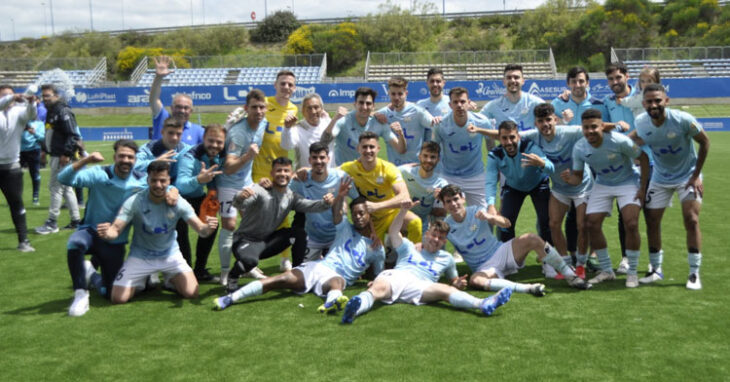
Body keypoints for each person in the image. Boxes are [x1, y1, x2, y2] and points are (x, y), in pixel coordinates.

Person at [213, 179, 385, 312]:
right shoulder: (345, 228)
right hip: (317, 267)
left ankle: (331, 302)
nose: (358, 217)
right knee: (279, 279)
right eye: (355, 214)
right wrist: (340, 196)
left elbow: (376, 276)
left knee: (336, 282)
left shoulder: (377, 249)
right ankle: (230, 298)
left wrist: (371, 281)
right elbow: (338, 213)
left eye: (362, 213)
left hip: (335, 277)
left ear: (370, 215)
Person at [340, 199, 512, 324]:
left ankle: (482, 304)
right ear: (427, 234)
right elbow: (393, 233)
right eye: (434, 235)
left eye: (441, 238)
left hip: (421, 286)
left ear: (445, 242)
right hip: (398, 275)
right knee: (379, 289)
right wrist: (402, 211)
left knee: (443, 289)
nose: (436, 240)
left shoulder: (447, 259)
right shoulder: (409, 247)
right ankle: (355, 309)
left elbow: (453, 281)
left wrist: (457, 282)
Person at [98, 161, 217, 304]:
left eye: (162, 180)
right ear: (147, 180)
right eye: (154, 180)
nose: (158, 185)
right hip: (140, 256)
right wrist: (107, 233)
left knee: (192, 292)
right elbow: (116, 229)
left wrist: (208, 228)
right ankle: (142, 282)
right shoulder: (135, 201)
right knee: (118, 298)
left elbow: (201, 230)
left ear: (169, 181)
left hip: (170, 255)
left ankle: (169, 280)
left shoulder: (179, 202)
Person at [440, 184, 590, 295]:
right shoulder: (446, 226)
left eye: (456, 199)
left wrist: (491, 217)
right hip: (484, 268)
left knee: (531, 238)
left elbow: (507, 224)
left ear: (463, 199)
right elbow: (437, 248)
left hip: (501, 252)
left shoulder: (476, 211)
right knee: (475, 281)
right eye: (448, 201)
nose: (453, 204)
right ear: (444, 205)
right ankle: (528, 288)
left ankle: (571, 276)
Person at [631, 84, 710, 289]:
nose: (654, 104)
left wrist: (696, 176)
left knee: (691, 219)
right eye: (649, 101)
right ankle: (656, 269)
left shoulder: (683, 120)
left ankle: (694, 273)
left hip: (688, 176)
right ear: (643, 104)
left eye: (658, 100)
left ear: (666, 100)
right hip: (660, 177)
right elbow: (631, 139)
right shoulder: (641, 122)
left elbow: (705, 142)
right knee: (651, 220)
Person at [59, 140, 149, 316]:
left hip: (116, 241)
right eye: (121, 156)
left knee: (110, 294)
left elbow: (161, 188)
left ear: (135, 160)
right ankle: (80, 294)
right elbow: (63, 178)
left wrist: (172, 191)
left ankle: (91, 274)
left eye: (130, 157)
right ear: (114, 157)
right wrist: (87, 160)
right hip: (91, 233)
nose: (125, 160)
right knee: (75, 243)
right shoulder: (100, 174)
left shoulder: (141, 181)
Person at [565, 109, 650, 288]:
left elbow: (643, 158)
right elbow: (578, 177)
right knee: (591, 224)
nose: (590, 131)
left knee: (631, 223)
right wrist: (569, 179)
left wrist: (642, 189)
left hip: (628, 181)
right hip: (603, 184)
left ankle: (632, 272)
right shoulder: (580, 147)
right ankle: (606, 270)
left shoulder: (619, 140)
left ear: (602, 126)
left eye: (594, 127)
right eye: (586, 128)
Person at [225, 157, 335, 293]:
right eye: (279, 171)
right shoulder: (260, 189)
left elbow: (309, 205)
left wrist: (325, 203)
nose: (282, 174)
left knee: (298, 233)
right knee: (250, 261)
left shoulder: (291, 196)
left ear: (291, 174)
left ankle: (297, 274)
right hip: (244, 241)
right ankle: (233, 277)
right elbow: (239, 203)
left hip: (265, 242)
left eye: (286, 171)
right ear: (272, 173)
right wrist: (240, 196)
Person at [523, 103, 594, 279]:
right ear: (536, 123)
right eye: (541, 121)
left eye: (548, 120)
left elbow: (593, 128)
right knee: (553, 224)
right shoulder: (534, 136)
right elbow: (510, 135)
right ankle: (565, 264)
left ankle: (581, 265)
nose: (545, 124)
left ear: (555, 119)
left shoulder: (569, 132)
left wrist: (616, 126)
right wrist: (478, 129)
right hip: (560, 188)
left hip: (582, 186)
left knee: (582, 226)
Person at [216, 89, 268, 283]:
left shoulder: (263, 123)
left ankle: (248, 266)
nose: (258, 111)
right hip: (228, 183)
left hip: (246, 182)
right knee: (229, 225)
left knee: (252, 226)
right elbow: (228, 168)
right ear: (247, 109)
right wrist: (248, 156)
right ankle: (224, 272)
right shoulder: (238, 133)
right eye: (254, 107)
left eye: (262, 107)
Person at [254, 70, 299, 272]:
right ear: (275, 85)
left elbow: (291, 140)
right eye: (283, 84)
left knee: (282, 215)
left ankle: (285, 258)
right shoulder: (264, 103)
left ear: (294, 88)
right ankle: (250, 258)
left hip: (281, 170)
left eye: (290, 84)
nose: (286, 87)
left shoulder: (294, 109)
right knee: (256, 215)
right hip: (259, 168)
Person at [340, 131, 421, 244]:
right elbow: (328, 173)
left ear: (378, 148)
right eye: (364, 147)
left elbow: (404, 196)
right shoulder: (349, 168)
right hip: (371, 220)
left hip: (392, 214)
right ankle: (389, 251)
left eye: (371, 147)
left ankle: (412, 259)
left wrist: (378, 206)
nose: (368, 151)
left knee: (415, 223)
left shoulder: (388, 168)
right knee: (376, 253)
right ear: (358, 148)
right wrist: (306, 170)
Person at [483, 121, 553, 245]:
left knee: (546, 222)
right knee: (504, 224)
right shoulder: (495, 155)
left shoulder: (530, 147)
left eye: (512, 137)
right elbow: (490, 182)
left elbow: (551, 168)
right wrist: (490, 205)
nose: (509, 142)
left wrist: (542, 164)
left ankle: (548, 257)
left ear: (518, 137)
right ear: (499, 138)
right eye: (504, 138)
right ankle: (509, 257)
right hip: (514, 187)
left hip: (538, 185)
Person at [289, 142, 359, 262]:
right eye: (315, 158)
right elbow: (283, 193)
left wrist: (358, 232)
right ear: (309, 160)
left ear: (328, 159)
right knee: (302, 277)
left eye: (322, 157)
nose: (319, 161)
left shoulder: (341, 177)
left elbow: (358, 201)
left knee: (340, 277)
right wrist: (293, 175)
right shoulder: (301, 179)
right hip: (312, 237)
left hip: (337, 236)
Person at [174, 123, 226, 282]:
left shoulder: (223, 153)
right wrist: (199, 179)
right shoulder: (190, 155)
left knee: (211, 225)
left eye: (219, 142)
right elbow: (180, 184)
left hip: (198, 195)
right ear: (203, 139)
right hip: (179, 197)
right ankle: (186, 270)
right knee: (180, 230)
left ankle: (200, 270)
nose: (215, 145)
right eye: (211, 141)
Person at [432, 87, 493, 209]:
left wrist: (493, 172)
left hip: (475, 175)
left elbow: (491, 148)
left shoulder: (482, 122)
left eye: (462, 101)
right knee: (437, 211)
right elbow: (434, 151)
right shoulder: (441, 125)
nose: (459, 105)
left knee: (485, 215)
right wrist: (433, 176)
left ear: (468, 102)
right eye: (455, 102)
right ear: (450, 105)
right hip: (448, 175)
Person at [36, 84, 81, 235]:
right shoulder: (53, 111)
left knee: (55, 187)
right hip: (56, 154)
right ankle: (76, 220)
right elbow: (50, 133)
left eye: (47, 95)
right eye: (43, 96)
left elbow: (72, 135)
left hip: (61, 156)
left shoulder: (63, 110)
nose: (45, 99)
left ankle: (52, 222)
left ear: (56, 95)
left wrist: (67, 153)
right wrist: (45, 149)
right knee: (66, 188)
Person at [320, 87, 405, 166]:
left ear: (373, 106)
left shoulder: (379, 123)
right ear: (355, 104)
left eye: (368, 103)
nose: (364, 107)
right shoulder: (343, 121)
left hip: (367, 175)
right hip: (344, 175)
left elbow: (400, 149)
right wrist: (334, 119)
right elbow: (324, 142)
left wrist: (400, 134)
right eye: (361, 103)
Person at [0, 85, 37, 251]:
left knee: (16, 204)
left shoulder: (18, 113)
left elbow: (31, 114)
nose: (9, 98)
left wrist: (31, 102)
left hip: (11, 167)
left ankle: (23, 241)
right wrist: (13, 97)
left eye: (10, 94)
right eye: (4, 95)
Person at [375, 76, 436, 165]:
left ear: (406, 93)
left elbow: (435, 125)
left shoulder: (418, 111)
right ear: (388, 93)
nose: (396, 97)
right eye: (393, 94)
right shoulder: (383, 114)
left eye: (400, 94)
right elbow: (363, 120)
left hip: (416, 167)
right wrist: (373, 114)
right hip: (394, 169)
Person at [149, 56, 204, 145]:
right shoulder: (162, 119)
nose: (182, 111)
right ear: (172, 108)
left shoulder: (199, 131)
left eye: (186, 108)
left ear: (191, 111)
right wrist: (158, 77)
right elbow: (154, 99)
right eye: (178, 107)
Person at [398, 141, 448, 232]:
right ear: (419, 156)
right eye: (425, 156)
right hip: (399, 222)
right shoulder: (404, 172)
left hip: (421, 225)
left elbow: (449, 207)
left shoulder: (441, 183)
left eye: (432, 157)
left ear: (438, 160)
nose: (428, 160)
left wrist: (440, 200)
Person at [480, 64, 543, 131]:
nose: (513, 81)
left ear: (523, 81)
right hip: (506, 141)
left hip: (530, 141)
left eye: (516, 77)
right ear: (504, 81)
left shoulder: (535, 103)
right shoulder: (494, 105)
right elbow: (476, 121)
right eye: (509, 78)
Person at [280, 93, 336, 170]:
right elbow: (286, 146)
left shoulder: (328, 124)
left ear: (322, 109)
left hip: (329, 178)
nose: (313, 112)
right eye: (309, 108)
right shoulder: (297, 128)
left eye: (316, 107)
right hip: (306, 178)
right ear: (303, 111)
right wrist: (287, 128)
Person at [136, 116, 191, 181]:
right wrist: (154, 163)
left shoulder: (186, 150)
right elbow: (134, 165)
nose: (174, 137)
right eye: (170, 133)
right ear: (162, 132)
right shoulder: (148, 149)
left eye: (178, 134)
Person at [20, 119, 45, 206]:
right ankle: (16, 196)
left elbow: (42, 137)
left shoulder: (39, 123)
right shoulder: (21, 121)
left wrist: (34, 132)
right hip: (19, 151)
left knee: (34, 174)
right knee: (16, 175)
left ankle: (35, 197)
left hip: (34, 150)